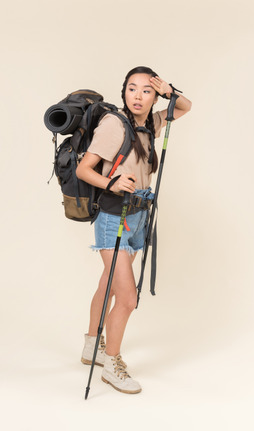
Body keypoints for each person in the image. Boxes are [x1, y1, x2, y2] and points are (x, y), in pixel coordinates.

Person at [76, 66, 192, 394]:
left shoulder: (150, 125)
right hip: (114, 216)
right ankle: (112, 363)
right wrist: (111, 182)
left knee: (109, 284)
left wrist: (170, 91)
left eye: (146, 90)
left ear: (155, 96)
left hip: (138, 217)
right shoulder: (115, 124)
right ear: (123, 91)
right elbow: (86, 169)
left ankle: (91, 347)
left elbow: (185, 107)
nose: (138, 96)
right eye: (132, 88)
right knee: (127, 297)